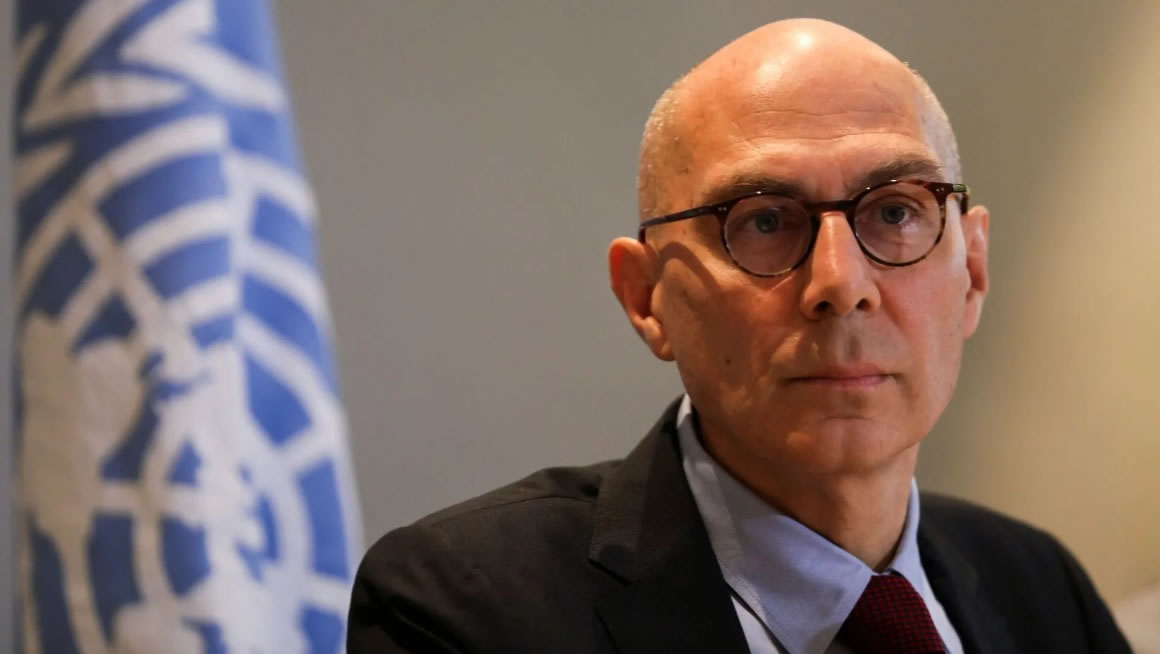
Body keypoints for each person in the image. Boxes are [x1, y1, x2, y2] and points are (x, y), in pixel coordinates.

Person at [347, 19, 1130, 653]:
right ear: (646, 297)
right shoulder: (467, 609)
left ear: (974, 273)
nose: (841, 284)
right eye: (762, 221)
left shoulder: (1042, 591)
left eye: (895, 211)